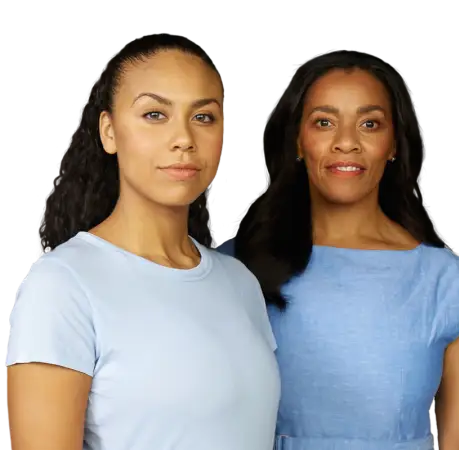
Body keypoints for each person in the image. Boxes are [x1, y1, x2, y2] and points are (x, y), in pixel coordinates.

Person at [6, 32, 280, 450]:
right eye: (155, 114)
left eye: (203, 117)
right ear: (109, 132)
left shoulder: (239, 282)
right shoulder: (61, 286)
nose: (184, 138)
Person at [217, 49, 459, 449]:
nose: (346, 142)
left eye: (369, 123)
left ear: (394, 144)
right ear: (298, 141)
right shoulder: (232, 269)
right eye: (324, 122)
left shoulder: (450, 287)